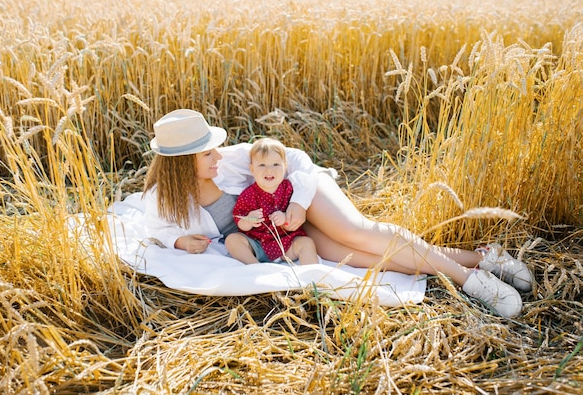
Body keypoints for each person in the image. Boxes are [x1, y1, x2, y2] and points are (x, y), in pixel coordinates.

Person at [142, 109, 534, 318]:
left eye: (212, 149)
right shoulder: (165, 198)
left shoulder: (229, 162)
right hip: (281, 233)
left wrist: (297, 204)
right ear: (181, 163)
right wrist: (177, 239)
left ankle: (469, 280)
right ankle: (487, 258)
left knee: (356, 232)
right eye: (206, 152)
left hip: (301, 194)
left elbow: (292, 159)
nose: (216, 155)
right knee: (369, 259)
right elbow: (155, 226)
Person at [226, 137, 319, 265]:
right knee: (232, 240)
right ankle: (254, 266)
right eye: (262, 165)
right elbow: (239, 221)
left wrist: (285, 218)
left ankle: (312, 275)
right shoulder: (248, 195)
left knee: (306, 243)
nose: (269, 170)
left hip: (285, 243)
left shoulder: (290, 189)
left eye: (276, 164)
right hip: (257, 244)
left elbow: (294, 219)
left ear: (285, 167)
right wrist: (248, 220)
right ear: (252, 169)